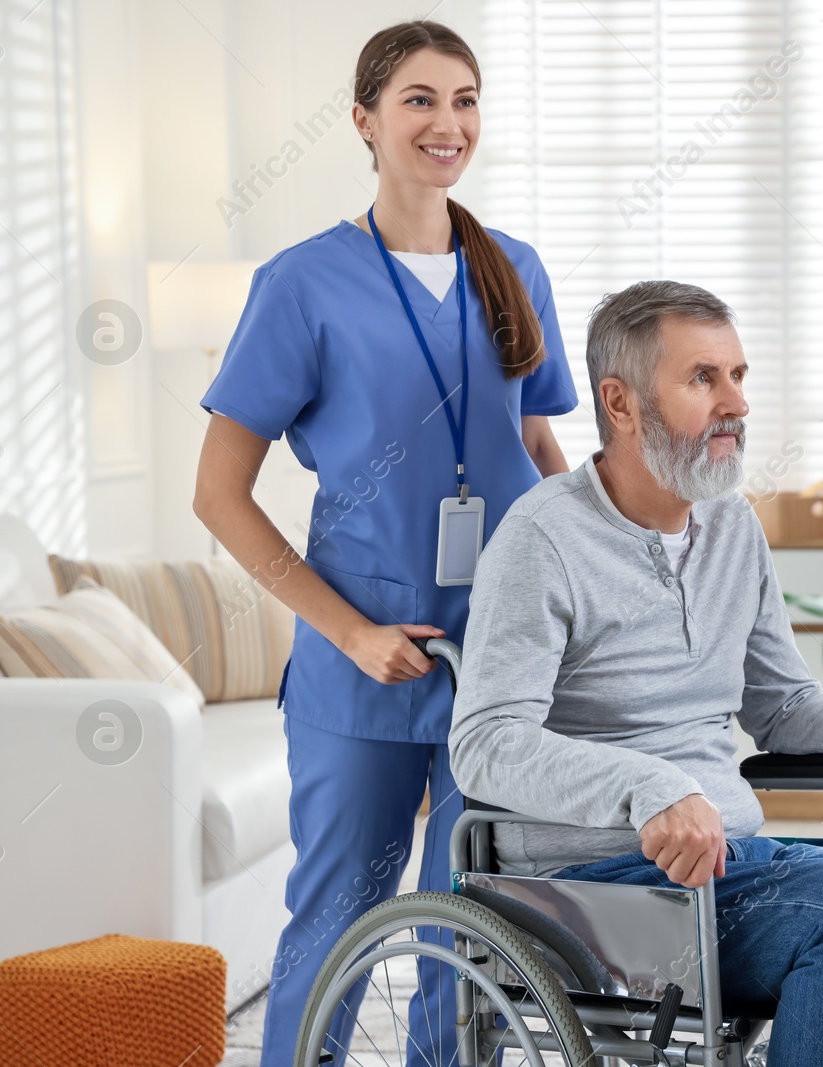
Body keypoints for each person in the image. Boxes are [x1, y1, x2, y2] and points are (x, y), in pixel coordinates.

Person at [449, 280, 823, 1066]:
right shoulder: (542, 538)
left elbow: (783, 707)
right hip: (593, 890)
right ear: (620, 402)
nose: (736, 403)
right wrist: (650, 786)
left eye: (739, 375)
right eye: (704, 378)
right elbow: (485, 743)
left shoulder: (730, 525)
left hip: (725, 868)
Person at [192, 20, 577, 1066]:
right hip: (364, 657)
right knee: (335, 923)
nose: (445, 123)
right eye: (418, 99)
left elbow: (540, 448)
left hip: (501, 659)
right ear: (363, 121)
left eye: (464, 99)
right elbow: (218, 495)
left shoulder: (516, 269)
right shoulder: (302, 283)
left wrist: (606, 574)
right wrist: (352, 632)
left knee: (480, 928)